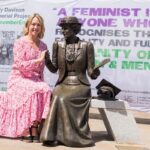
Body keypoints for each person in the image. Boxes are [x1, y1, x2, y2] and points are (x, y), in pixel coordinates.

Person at [40, 16, 100, 147]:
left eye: (65, 28)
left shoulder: (87, 46)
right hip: (63, 82)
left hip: (80, 84)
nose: (63, 31)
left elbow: (90, 71)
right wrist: (47, 61)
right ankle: (51, 136)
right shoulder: (58, 45)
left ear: (74, 29)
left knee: (63, 99)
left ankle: (71, 137)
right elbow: (54, 69)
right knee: (57, 96)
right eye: (62, 28)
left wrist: (95, 72)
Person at [0, 13, 52, 142]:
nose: (35, 27)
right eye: (33, 24)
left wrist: (41, 75)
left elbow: (40, 70)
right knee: (34, 89)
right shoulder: (20, 42)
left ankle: (35, 126)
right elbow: (20, 65)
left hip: (34, 79)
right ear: (28, 26)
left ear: (42, 28)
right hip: (18, 78)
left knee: (45, 89)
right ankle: (26, 129)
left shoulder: (43, 46)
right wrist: (37, 60)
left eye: (38, 25)